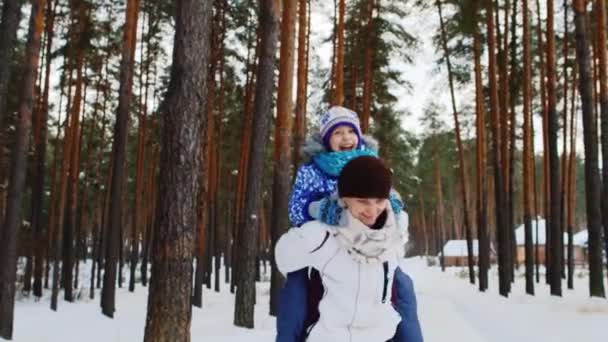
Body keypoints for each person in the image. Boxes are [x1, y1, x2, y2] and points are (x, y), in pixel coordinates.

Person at [277, 106, 423, 342]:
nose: (346, 137)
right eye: (337, 133)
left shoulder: (370, 160)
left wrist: (392, 204)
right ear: (326, 139)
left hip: (365, 237)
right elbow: (297, 206)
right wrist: (320, 209)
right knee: (296, 287)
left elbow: (385, 190)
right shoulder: (313, 169)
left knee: (403, 285)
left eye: (350, 131)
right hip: (328, 236)